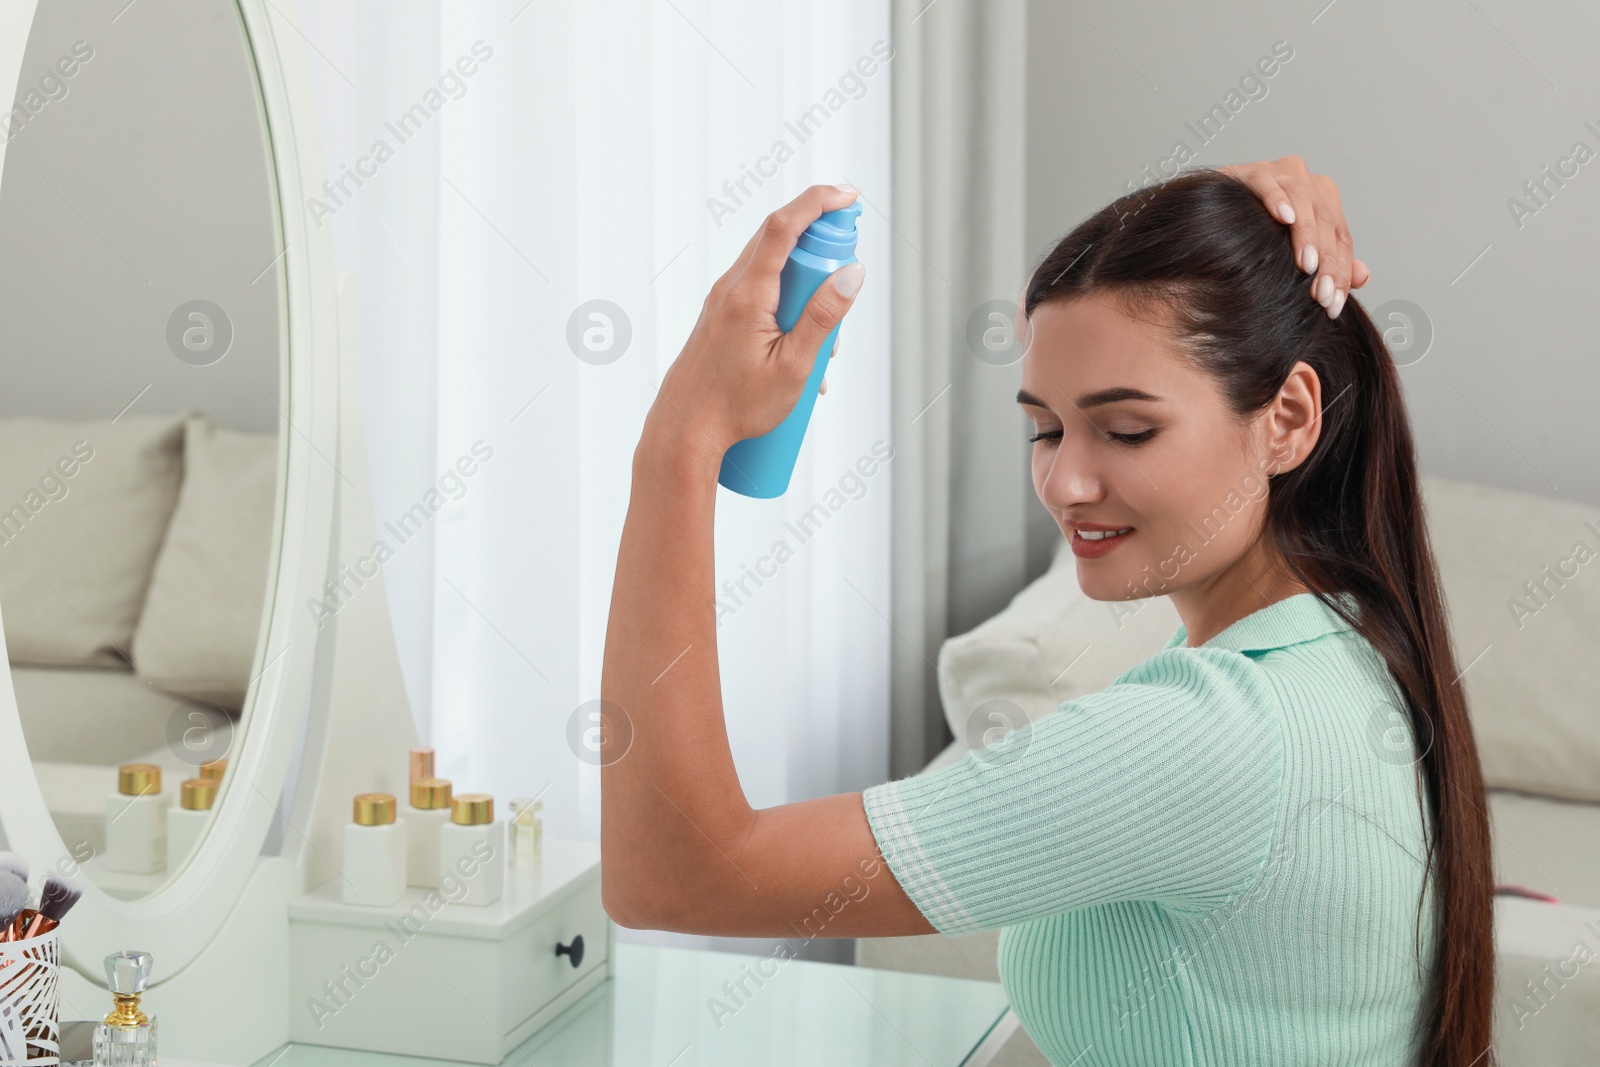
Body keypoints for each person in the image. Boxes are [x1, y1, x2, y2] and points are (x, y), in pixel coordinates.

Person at [599, 157, 1494, 1066]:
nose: (1065, 481)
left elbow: (673, 875)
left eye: (1127, 429)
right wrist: (1224, 216)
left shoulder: (1203, 738)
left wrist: (680, 443)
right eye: (1046, 426)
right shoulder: (1349, 643)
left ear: (1291, 418)